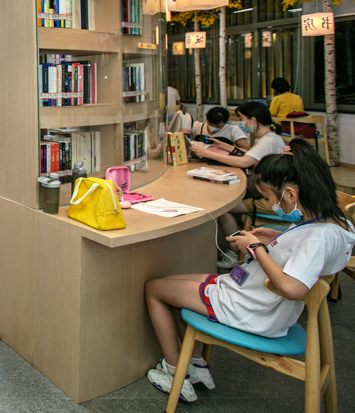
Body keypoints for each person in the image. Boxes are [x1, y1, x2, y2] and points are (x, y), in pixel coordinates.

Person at [143, 140, 354, 403]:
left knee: (155, 289)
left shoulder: (317, 238)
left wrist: (256, 247)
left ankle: (176, 374)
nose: (270, 203)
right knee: (171, 284)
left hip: (252, 308)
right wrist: (276, 238)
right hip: (256, 295)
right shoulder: (336, 224)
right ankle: (195, 366)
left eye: (268, 197)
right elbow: (305, 253)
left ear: (290, 194)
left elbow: (293, 288)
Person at [191, 102, 286, 267]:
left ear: (253, 120)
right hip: (268, 191)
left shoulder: (268, 141)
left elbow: (245, 161)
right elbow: (251, 155)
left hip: (271, 198)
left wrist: (207, 153)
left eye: (242, 119)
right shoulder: (269, 138)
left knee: (224, 207)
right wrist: (227, 147)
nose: (241, 123)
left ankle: (234, 253)